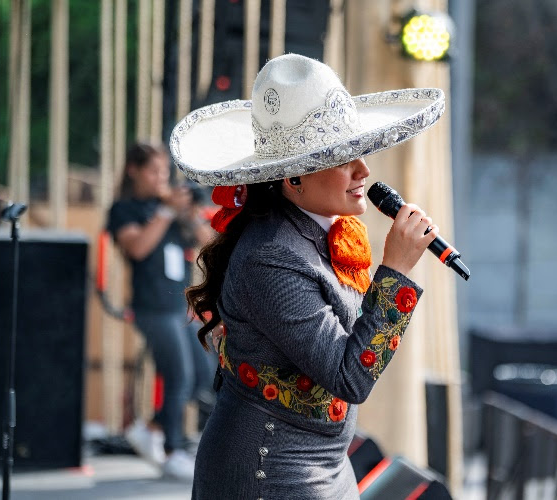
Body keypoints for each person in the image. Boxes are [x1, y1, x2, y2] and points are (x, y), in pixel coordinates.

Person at [171, 54, 445, 498]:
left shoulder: (319, 232)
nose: (364, 171)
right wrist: (396, 271)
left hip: (326, 465)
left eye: (360, 151)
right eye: (342, 157)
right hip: (268, 473)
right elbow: (351, 377)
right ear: (294, 175)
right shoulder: (270, 256)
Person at [106, 142, 216, 480]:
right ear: (134, 171)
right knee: (178, 374)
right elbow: (138, 247)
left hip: (178, 307)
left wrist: (188, 212)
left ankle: (151, 428)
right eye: (153, 171)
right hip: (151, 307)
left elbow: (209, 241)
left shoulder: (168, 209)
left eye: (164, 172)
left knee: (202, 374)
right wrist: (165, 212)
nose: (160, 179)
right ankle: (172, 450)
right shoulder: (125, 209)